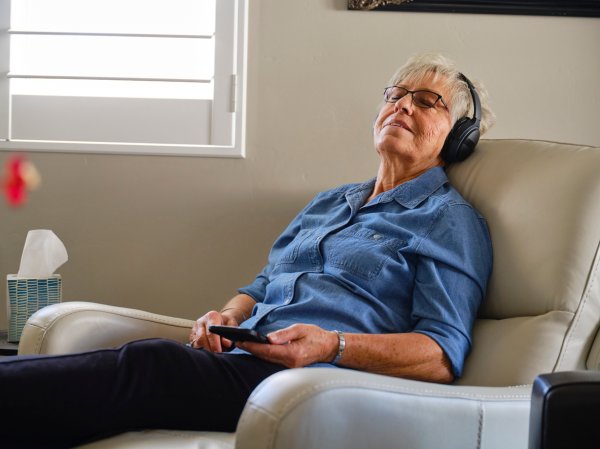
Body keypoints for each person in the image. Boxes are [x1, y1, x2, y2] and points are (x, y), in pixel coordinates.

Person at [0, 53, 495, 448]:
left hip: (316, 387)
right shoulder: (330, 202)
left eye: (428, 101)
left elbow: (442, 353)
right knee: (118, 381)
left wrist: (331, 344)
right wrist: (230, 315)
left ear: (458, 139)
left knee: (151, 365)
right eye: (395, 95)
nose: (403, 106)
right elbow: (262, 285)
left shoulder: (449, 221)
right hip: (247, 360)